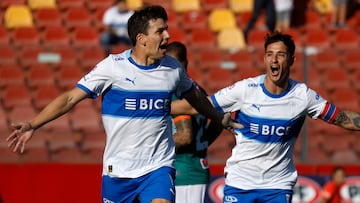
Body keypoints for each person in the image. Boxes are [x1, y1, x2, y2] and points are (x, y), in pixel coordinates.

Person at [6, 5, 240, 203]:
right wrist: (33, 124)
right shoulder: (112, 67)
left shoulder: (172, 69)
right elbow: (69, 98)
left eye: (166, 29)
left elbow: (194, 97)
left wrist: (217, 116)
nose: (167, 36)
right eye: (161, 31)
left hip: (158, 168)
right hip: (118, 171)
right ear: (142, 39)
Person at [171, 31, 360, 203]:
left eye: (281, 55)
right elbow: (199, 105)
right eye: (270, 54)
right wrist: (158, 106)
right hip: (240, 183)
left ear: (292, 60)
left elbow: (341, 117)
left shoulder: (302, 95)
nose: (274, 60)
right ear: (264, 59)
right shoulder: (245, 90)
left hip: (277, 186)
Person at [167, 41, 224, 203]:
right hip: (197, 167)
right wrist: (203, 143)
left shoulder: (177, 91)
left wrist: (153, 146)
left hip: (183, 171)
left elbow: (184, 136)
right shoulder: (197, 90)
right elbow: (219, 119)